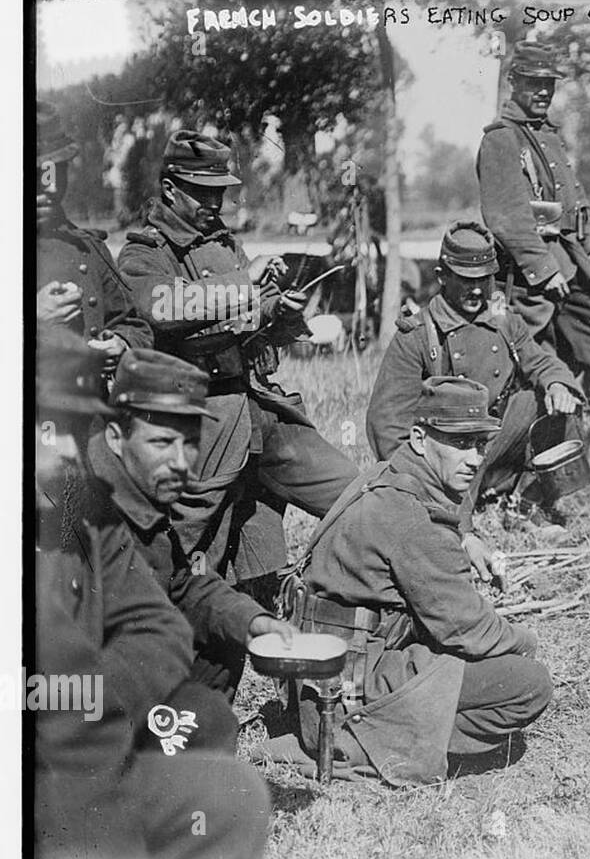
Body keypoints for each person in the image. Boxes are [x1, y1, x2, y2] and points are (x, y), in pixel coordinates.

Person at [32, 329, 269, 859]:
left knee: (222, 763)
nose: (67, 449)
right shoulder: (87, 501)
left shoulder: (90, 512)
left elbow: (164, 616)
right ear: (116, 438)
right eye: (47, 429)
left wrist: (253, 620)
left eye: (71, 429)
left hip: (84, 730)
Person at [272, 377, 552, 785]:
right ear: (420, 438)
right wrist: (527, 642)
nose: (475, 458)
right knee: (528, 683)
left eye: (480, 444)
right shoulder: (413, 516)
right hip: (345, 696)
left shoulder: (384, 477)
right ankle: (374, 747)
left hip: (318, 682)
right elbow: (468, 629)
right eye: (459, 443)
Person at [116, 130, 358, 590]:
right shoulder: (145, 252)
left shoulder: (224, 243)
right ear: (170, 188)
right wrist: (246, 283)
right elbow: (163, 308)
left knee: (353, 492)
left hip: (258, 408)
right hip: (202, 421)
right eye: (202, 191)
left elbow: (248, 315)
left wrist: (277, 310)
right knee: (187, 546)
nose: (214, 201)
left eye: (219, 191)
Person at [88, 348, 299, 700]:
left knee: (224, 641)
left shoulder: (139, 487)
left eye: (189, 443)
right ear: (115, 437)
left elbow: (180, 582)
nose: (179, 462)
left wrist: (251, 621)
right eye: (161, 442)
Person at [366, 221, 584, 531]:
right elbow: (386, 422)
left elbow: (541, 362)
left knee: (557, 405)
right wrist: (411, 481)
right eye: (467, 280)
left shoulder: (504, 322)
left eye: (486, 279)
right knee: (450, 536)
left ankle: (523, 503)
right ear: (442, 277)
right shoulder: (417, 335)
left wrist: (558, 384)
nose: (478, 290)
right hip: (444, 452)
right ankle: (458, 513)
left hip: (491, 440)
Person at [477, 42, 590, 417]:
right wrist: (543, 269)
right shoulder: (502, 139)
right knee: (531, 364)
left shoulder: (548, 136)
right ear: (514, 82)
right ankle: (528, 447)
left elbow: (575, 199)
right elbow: (506, 217)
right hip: (530, 278)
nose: (543, 90)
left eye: (549, 83)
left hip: (573, 265)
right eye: (533, 82)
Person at [35, 102, 152, 368]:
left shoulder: (87, 246)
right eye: (38, 172)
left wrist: (121, 341)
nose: (50, 187)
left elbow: (133, 324)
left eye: (56, 170)